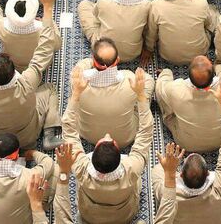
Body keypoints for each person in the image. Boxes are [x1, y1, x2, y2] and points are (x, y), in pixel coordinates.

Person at [60, 66, 153, 224]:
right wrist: (141, 96)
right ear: (121, 156)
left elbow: (68, 129)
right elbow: (145, 132)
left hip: (88, 214)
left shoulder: (80, 168)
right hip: (125, 215)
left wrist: (76, 94)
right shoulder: (132, 168)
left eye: (103, 140)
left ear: (92, 153)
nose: (107, 134)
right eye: (111, 140)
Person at [0, 0, 60, 150]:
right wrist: (48, 9)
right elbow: (46, 50)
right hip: (29, 134)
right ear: (15, 73)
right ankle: (51, 132)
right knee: (49, 89)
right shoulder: (27, 84)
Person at [155, 79, 221, 222]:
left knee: (157, 170)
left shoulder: (169, 194)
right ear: (208, 174)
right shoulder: (220, 187)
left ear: (180, 175)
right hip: (217, 216)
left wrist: (169, 175)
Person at [0, 132, 56, 224]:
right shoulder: (29, 177)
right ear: (15, 155)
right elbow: (48, 162)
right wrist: (32, 153)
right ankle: (40, 206)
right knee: (55, 171)